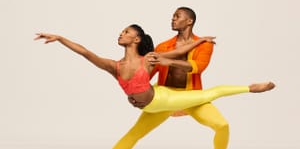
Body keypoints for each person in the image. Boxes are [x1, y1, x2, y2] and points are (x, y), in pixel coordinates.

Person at [34, 24, 275, 146]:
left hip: (165, 99)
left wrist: (199, 40)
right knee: (130, 137)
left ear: (136, 39)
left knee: (212, 93)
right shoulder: (113, 66)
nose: (121, 34)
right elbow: (86, 52)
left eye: (126, 32)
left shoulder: (148, 59)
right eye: (121, 31)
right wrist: (61, 38)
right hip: (150, 109)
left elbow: (179, 51)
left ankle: (252, 88)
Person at [112, 7, 261, 149]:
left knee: (222, 125)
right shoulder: (163, 46)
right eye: (172, 16)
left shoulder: (204, 44)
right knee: (134, 134)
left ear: (189, 21)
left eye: (177, 16)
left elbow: (198, 67)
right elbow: (144, 75)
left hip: (192, 96)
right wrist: (135, 95)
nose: (173, 19)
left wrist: (169, 61)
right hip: (164, 97)